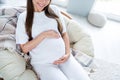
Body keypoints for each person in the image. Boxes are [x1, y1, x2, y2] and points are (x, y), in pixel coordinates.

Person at [16, 0, 91, 80]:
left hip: (64, 58)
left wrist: (68, 53)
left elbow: (64, 34)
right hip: (43, 64)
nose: (43, 2)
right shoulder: (23, 17)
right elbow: (24, 48)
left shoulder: (54, 10)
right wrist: (44, 35)